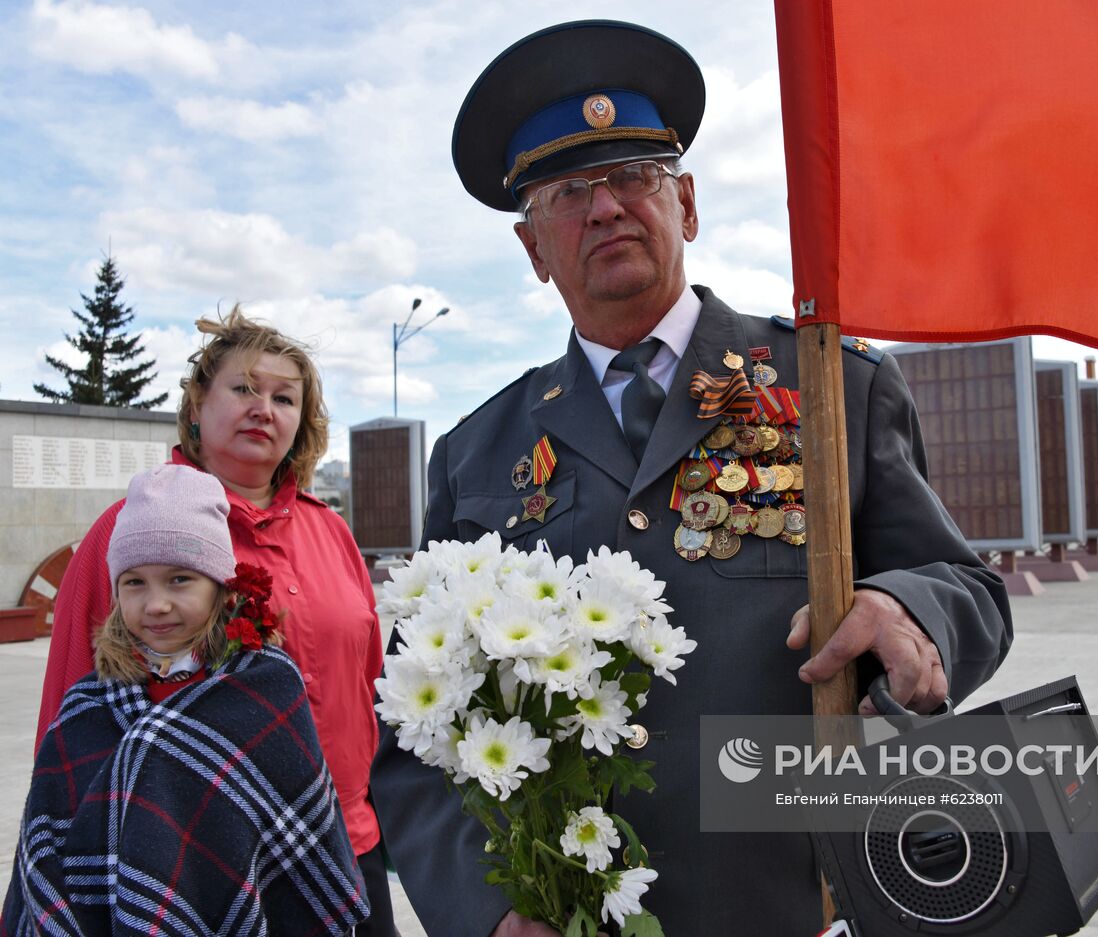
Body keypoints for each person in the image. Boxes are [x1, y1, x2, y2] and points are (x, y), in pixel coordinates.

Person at [370, 20, 1013, 937]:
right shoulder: (476, 454)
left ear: (689, 206)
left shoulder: (831, 389)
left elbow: (969, 590)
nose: (605, 210)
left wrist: (913, 613)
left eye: (636, 177)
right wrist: (488, 914)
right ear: (532, 249)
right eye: (568, 194)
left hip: (795, 903)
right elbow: (413, 740)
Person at [35, 307, 397, 934]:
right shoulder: (129, 534)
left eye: (285, 397)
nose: (264, 408)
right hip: (189, 859)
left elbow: (371, 688)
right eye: (244, 388)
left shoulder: (333, 532)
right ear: (199, 403)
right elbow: (70, 715)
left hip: (338, 843)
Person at [4, 465, 367, 934]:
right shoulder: (87, 706)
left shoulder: (268, 690)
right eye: (134, 582)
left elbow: (301, 846)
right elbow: (47, 844)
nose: (155, 604)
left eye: (179, 579)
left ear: (219, 587)